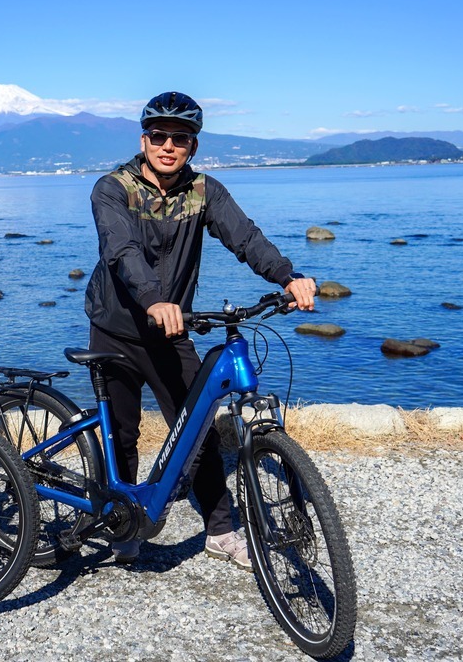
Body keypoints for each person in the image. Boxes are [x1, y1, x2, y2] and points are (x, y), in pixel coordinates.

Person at [84, 92, 317, 567]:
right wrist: (154, 299)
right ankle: (120, 521)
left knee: (199, 429)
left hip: (170, 331)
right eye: (159, 136)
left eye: (180, 139)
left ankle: (221, 530)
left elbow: (244, 236)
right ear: (144, 140)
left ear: (192, 146)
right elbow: (121, 250)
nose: (168, 146)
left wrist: (287, 276)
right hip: (116, 328)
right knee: (121, 434)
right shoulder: (113, 188)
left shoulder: (203, 191)